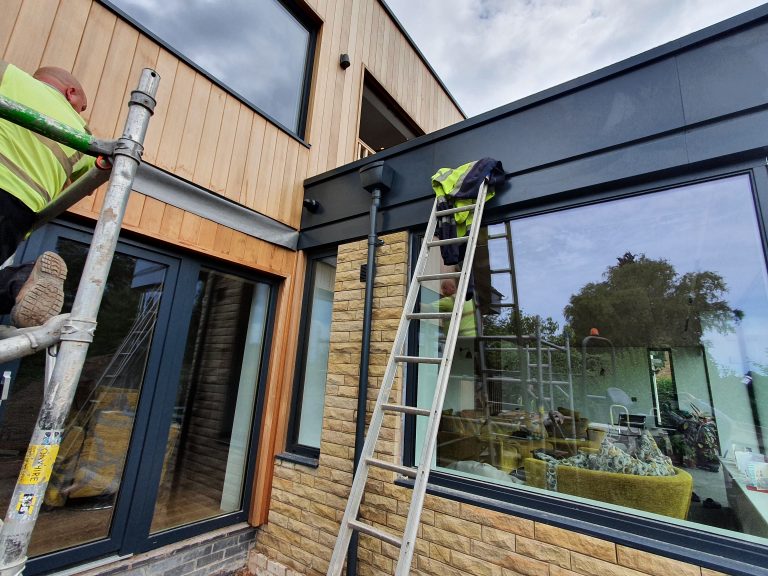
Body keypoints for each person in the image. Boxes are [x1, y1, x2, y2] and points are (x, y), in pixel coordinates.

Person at [0, 61, 94, 328]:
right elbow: (87, 183)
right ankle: (18, 283)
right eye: (83, 107)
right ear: (71, 93)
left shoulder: (11, 76)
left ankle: (18, 281)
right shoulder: (84, 137)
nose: (82, 114)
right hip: (19, 211)